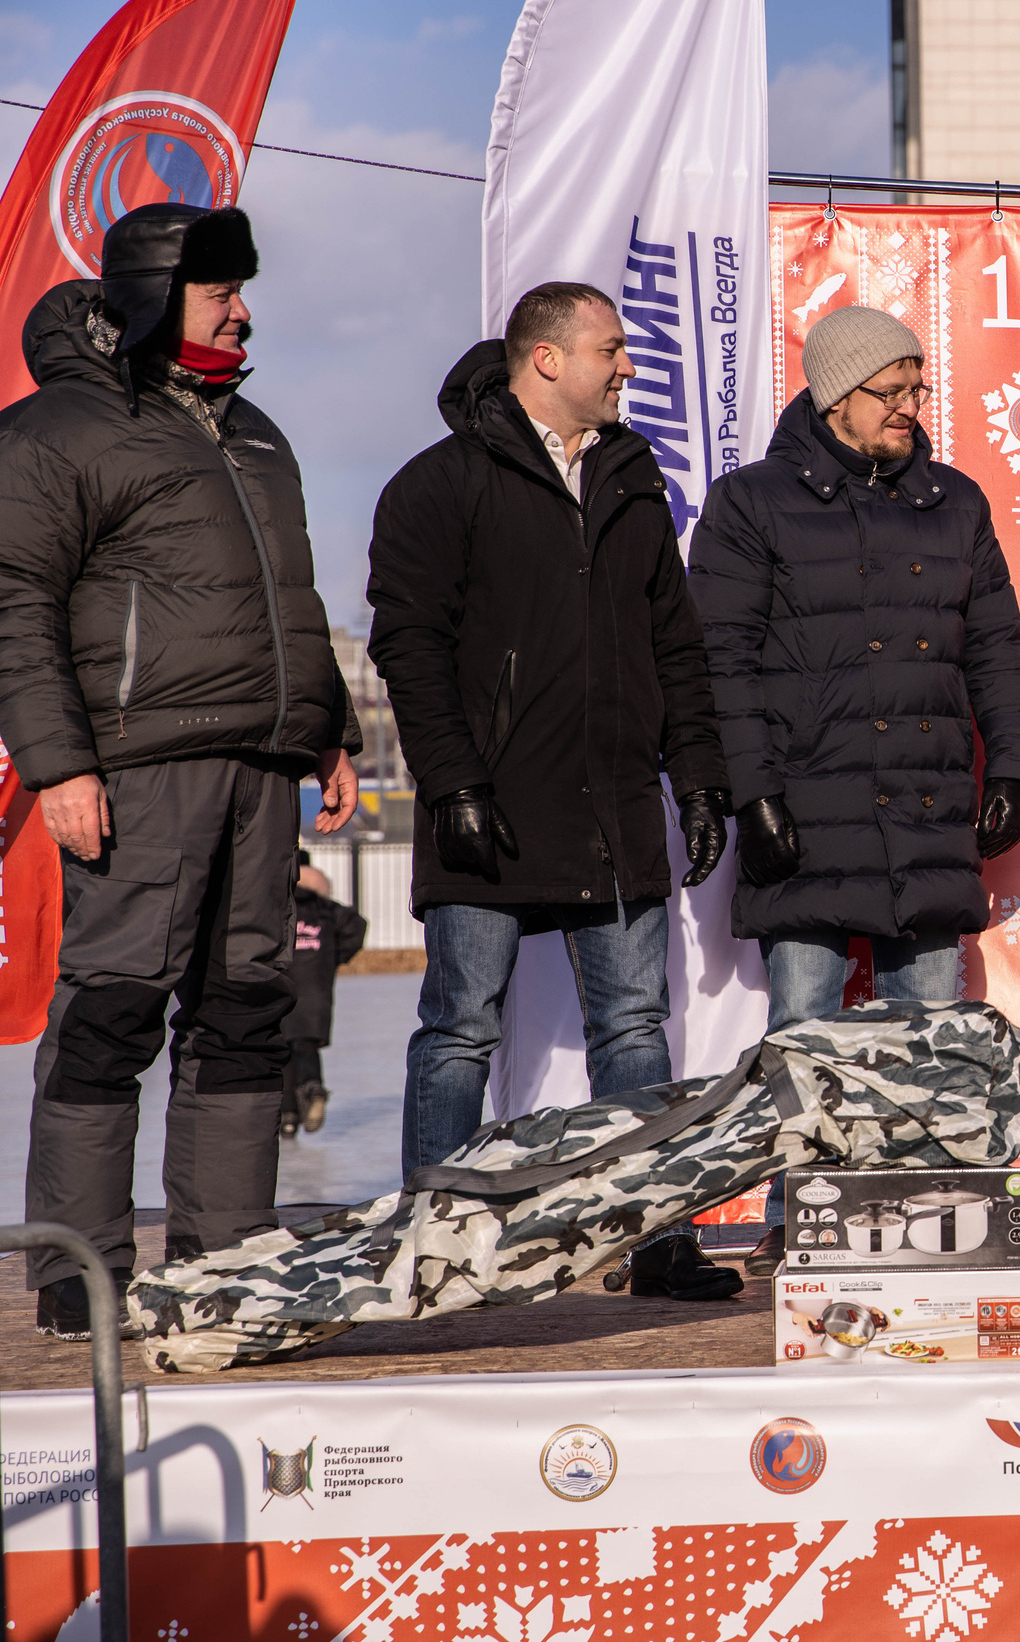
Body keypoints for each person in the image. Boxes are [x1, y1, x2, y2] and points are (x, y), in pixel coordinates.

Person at [0, 204, 361, 1339]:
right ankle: (78, 1268)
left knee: (250, 1010)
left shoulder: (253, 431)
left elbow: (287, 599)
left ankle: (229, 1260)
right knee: (113, 1010)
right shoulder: (57, 431)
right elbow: (15, 606)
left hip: (262, 763)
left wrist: (330, 726)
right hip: (140, 763)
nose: (243, 310)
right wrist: (58, 764)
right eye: (220, 294)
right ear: (159, 298)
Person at [368, 281, 738, 1302]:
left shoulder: (629, 474)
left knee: (634, 1028)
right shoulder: (438, 485)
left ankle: (652, 1240)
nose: (627, 367)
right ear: (546, 359)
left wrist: (699, 776)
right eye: (611, 349)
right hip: (487, 807)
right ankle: (429, 1245)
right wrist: (450, 782)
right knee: (459, 1029)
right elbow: (411, 647)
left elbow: (675, 643)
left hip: (614, 808)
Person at [688, 304, 1020, 1277]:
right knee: (801, 1039)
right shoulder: (751, 503)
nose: (909, 406)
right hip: (805, 814)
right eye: (891, 390)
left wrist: (1012, 766)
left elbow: (997, 653)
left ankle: (917, 1228)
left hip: (925, 812)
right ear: (836, 396)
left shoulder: (954, 502)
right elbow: (724, 659)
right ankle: (802, 1219)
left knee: (925, 1041)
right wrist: (750, 794)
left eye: (917, 387)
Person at [282, 852, 367, 1138]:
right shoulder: (325, 909)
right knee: (305, 1045)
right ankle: (313, 1086)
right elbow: (357, 926)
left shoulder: (280, 908)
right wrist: (332, 956)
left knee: (281, 1049)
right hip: (316, 989)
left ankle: (288, 1115)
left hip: (281, 985)